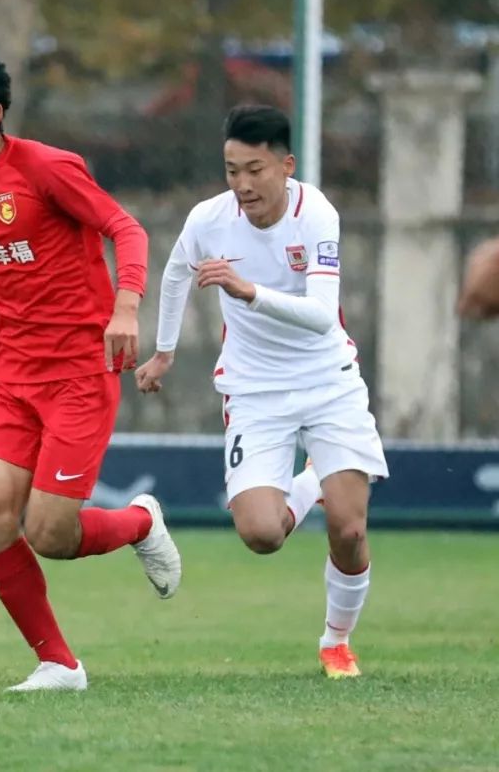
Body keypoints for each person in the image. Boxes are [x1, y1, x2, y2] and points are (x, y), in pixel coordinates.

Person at [0, 44, 182, 692]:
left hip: (80, 377)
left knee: (51, 533)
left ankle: (141, 522)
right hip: (12, 379)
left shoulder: (47, 169)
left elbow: (127, 229)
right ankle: (59, 664)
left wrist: (125, 305)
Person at [136, 105, 388, 679]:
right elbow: (176, 272)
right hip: (254, 389)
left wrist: (247, 291)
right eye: (231, 171)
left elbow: (324, 317)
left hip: (327, 382)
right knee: (261, 534)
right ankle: (313, 484)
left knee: (349, 530)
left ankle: (335, 641)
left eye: (255, 169)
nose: (242, 185)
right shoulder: (209, 219)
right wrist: (165, 350)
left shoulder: (316, 213)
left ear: (286, 165)